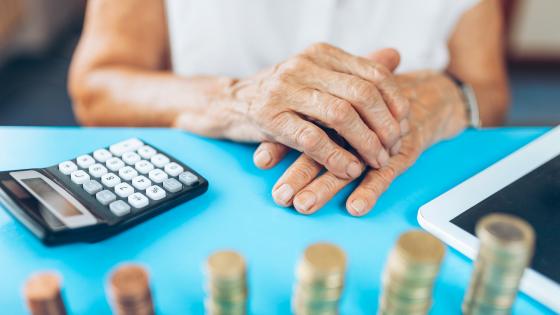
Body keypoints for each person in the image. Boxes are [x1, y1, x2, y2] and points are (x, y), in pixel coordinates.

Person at [68, 0, 509, 216]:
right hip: (209, 186)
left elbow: (489, 90)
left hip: (409, 181)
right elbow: (97, 85)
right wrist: (235, 99)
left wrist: (447, 97)